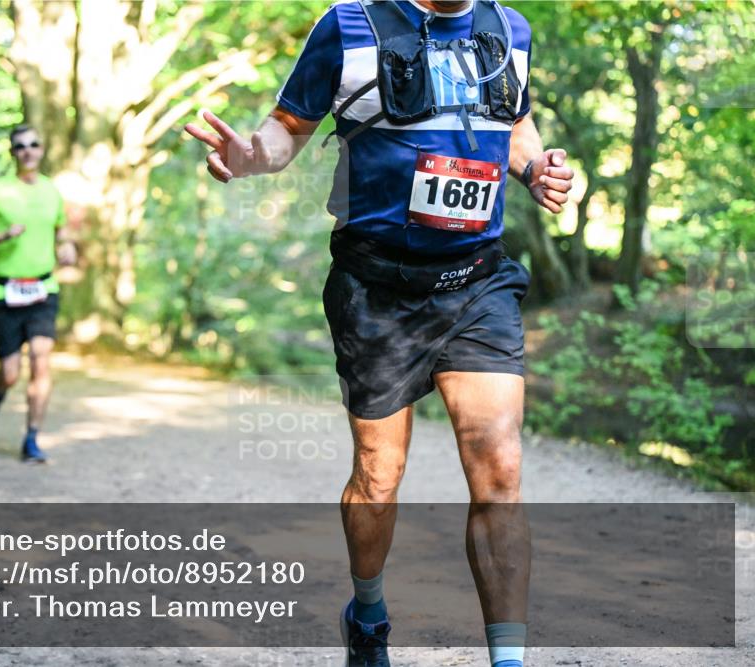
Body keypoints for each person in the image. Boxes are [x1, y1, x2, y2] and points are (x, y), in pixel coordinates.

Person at [185, 1, 574, 665]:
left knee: (499, 465)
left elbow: (514, 123)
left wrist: (536, 168)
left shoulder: (510, 29)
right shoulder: (351, 26)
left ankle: (508, 659)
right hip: (377, 290)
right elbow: (284, 133)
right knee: (378, 475)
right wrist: (252, 157)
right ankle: (367, 612)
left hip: (478, 280)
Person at [0, 124, 77, 463]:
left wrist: (67, 248)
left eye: (33, 144)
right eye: (20, 146)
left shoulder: (52, 191)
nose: (27, 150)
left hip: (43, 289)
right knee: (11, 372)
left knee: (41, 361)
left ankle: (31, 439)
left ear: (41, 150)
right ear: (12, 153)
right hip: (5, 291)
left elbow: (63, 231)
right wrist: (0, 237)